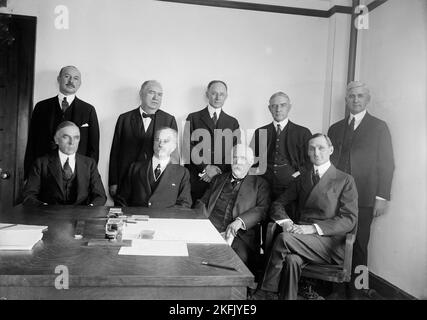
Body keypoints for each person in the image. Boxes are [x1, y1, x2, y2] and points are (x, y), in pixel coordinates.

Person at [253, 133, 358, 300]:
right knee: (292, 260)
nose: (316, 153)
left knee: (283, 239)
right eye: (312, 149)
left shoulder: (345, 180)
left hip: (329, 243)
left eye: (321, 148)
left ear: (331, 150)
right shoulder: (302, 178)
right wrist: (287, 223)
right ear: (308, 153)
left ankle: (266, 291)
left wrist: (312, 228)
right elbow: (277, 204)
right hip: (299, 239)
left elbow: (349, 220)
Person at [328, 81, 395, 298]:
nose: (355, 100)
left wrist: (382, 196)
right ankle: (337, 288)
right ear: (346, 100)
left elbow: (386, 164)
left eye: (360, 96)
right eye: (351, 96)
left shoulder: (379, 127)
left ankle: (359, 289)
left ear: (367, 99)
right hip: (336, 197)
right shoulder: (335, 128)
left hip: (365, 197)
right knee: (336, 242)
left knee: (360, 245)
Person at [195, 144, 270, 273]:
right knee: (195, 257)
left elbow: (262, 209)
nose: (238, 162)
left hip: (240, 236)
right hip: (211, 230)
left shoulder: (260, 184)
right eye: (235, 157)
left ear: (251, 162)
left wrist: (240, 221)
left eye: (243, 158)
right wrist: (201, 223)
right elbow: (203, 202)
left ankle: (234, 293)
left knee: (237, 263)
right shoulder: (218, 179)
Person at [24, 66, 100, 178]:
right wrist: (29, 175)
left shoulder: (88, 110)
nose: (71, 81)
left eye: (75, 78)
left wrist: (88, 176)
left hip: (77, 174)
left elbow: (93, 147)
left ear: (80, 83)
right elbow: (32, 143)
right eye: (67, 76)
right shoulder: (41, 107)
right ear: (59, 79)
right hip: (44, 173)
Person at [109, 80, 178, 200]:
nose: (156, 97)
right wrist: (113, 182)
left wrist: (173, 184)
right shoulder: (124, 119)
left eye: (160, 94)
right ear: (141, 94)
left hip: (156, 183)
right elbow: (115, 152)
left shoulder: (169, 120)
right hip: (126, 181)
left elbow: (174, 155)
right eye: (151, 92)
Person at [23, 121, 106, 206]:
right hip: (49, 216)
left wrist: (89, 210)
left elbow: (100, 196)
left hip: (81, 217)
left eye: (76, 137)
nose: (72, 142)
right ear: (56, 140)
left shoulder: (89, 164)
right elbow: (28, 196)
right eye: (66, 137)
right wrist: (44, 208)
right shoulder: (41, 163)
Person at [184, 80, 240, 203]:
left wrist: (217, 171)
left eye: (221, 94)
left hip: (221, 179)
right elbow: (188, 146)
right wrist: (206, 168)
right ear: (207, 94)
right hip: (197, 177)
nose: (217, 97)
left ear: (226, 96)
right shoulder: (193, 118)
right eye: (214, 93)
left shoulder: (232, 122)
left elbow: (235, 150)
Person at [251, 91, 312, 200]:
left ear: (289, 107)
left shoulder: (303, 132)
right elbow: (252, 161)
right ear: (269, 109)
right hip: (263, 186)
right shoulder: (260, 132)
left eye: (283, 105)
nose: (278, 109)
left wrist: (297, 174)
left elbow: (310, 161)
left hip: (292, 186)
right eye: (274, 106)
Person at [116, 128, 192, 208]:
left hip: (166, 219)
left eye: (165, 141)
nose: (160, 144)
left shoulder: (182, 173)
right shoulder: (135, 168)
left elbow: (184, 204)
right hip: (138, 219)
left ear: (174, 146)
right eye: (157, 140)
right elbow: (122, 200)